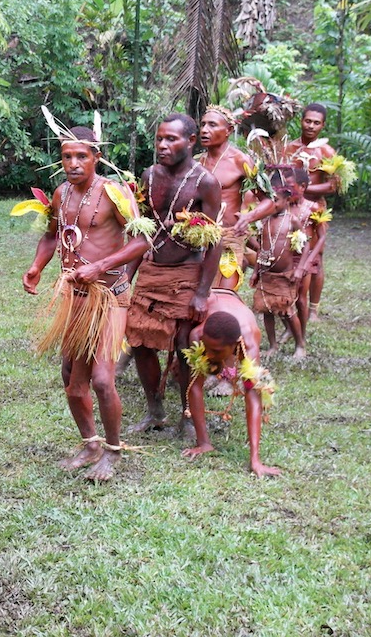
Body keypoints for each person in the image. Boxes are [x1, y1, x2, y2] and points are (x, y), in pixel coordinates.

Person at [22, 126, 143, 482]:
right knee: (72, 381)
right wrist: (36, 267)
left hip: (111, 296)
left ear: (97, 158)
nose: (73, 164)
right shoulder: (60, 194)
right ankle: (90, 443)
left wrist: (100, 266)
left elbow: (141, 242)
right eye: (67, 157)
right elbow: (51, 235)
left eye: (81, 157)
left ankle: (113, 450)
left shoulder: (114, 194)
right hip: (75, 297)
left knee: (103, 381)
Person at [125, 113, 223, 436]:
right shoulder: (149, 175)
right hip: (152, 270)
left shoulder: (205, 182)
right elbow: (142, 231)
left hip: (186, 272)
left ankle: (188, 415)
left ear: (191, 141)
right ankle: (155, 412)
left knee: (183, 344)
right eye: (159, 139)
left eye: (172, 139)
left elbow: (214, 240)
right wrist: (127, 276)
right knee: (138, 340)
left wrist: (202, 293)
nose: (163, 146)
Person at [181, 292, 281, 477]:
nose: (208, 355)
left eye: (216, 351)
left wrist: (255, 459)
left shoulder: (250, 341)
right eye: (207, 348)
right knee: (194, 372)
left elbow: (253, 395)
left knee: (251, 386)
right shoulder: (197, 334)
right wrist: (203, 442)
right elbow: (195, 387)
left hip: (235, 306)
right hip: (214, 298)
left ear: (235, 345)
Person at [248, 167, 325, 358]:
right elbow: (261, 248)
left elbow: (308, 244)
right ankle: (273, 344)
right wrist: (256, 270)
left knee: (290, 307)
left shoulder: (295, 218)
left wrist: (301, 267)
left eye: (275, 200)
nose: (271, 204)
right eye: (269, 200)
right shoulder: (265, 222)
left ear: (286, 198)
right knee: (267, 309)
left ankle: (300, 342)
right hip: (268, 272)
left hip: (289, 269)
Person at [282, 102, 337, 322]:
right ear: (301, 120)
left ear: (323, 125)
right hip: (290, 209)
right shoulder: (288, 148)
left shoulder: (326, 152)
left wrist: (303, 190)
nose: (311, 126)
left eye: (316, 123)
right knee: (290, 255)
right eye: (308, 121)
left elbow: (333, 186)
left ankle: (313, 309)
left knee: (316, 259)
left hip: (315, 209)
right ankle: (290, 301)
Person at [197, 106, 255, 289]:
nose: (205, 130)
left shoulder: (240, 161)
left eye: (212, 125)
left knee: (223, 297)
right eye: (203, 124)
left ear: (229, 130)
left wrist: (249, 217)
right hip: (199, 239)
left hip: (229, 239)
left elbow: (268, 198)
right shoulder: (197, 162)